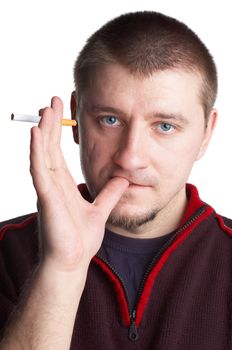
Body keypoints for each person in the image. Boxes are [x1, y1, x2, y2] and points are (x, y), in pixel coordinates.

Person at [0, 10, 231, 350]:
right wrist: (62, 269)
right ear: (76, 119)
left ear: (206, 133)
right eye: (110, 119)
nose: (130, 157)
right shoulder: (6, 253)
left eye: (165, 126)